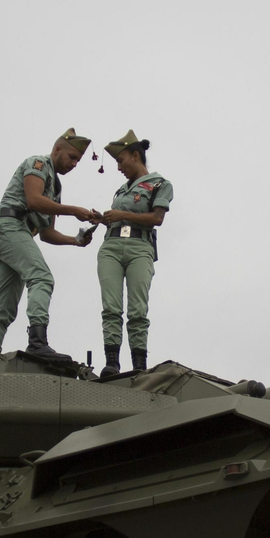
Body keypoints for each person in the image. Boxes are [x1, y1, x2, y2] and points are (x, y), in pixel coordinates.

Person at [0, 129, 103, 365]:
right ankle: (37, 342)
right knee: (42, 278)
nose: (74, 164)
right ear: (57, 149)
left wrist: (76, 240)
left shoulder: (55, 187)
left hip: (18, 234)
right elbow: (34, 200)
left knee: (4, 305)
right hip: (9, 227)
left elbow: (46, 233)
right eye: (72, 157)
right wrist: (74, 210)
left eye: (78, 160)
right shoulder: (38, 164)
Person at [95, 130, 172, 376]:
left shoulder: (160, 184)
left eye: (121, 160)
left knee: (138, 310)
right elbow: (120, 218)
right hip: (111, 246)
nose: (119, 167)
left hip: (140, 247)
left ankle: (139, 366)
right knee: (111, 307)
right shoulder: (121, 190)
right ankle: (112, 363)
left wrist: (123, 214)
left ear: (135, 155)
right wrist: (102, 219)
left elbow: (157, 218)